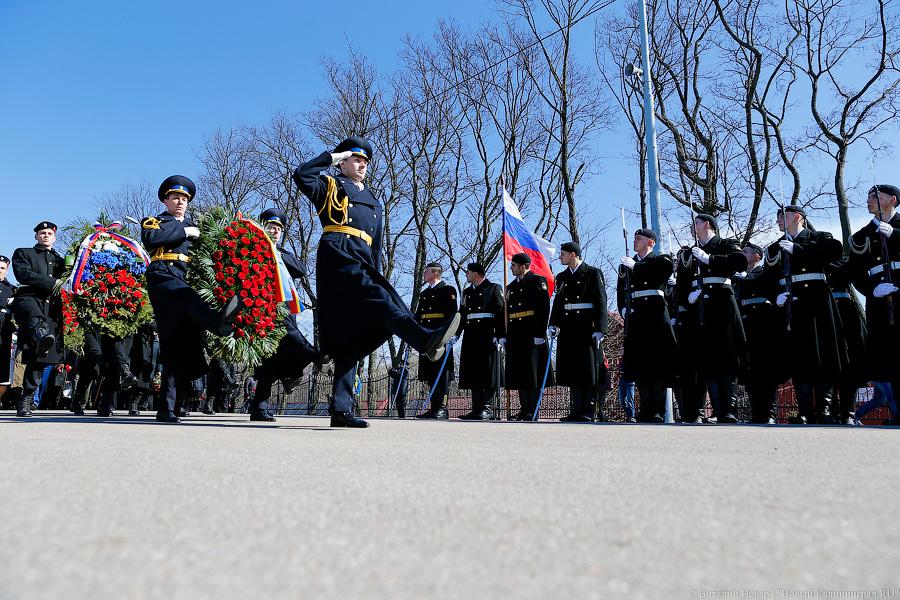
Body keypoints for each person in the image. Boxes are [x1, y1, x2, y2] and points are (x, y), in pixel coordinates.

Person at [293, 137, 459, 428]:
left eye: (365, 162)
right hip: (339, 253)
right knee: (384, 301)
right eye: (355, 159)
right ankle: (423, 339)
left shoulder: (374, 201)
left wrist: (378, 273)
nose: (362, 165)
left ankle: (341, 410)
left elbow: (377, 245)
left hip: (363, 258)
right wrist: (332, 157)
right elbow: (301, 175)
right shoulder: (329, 186)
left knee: (362, 332)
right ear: (343, 163)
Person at [141, 175, 240, 423]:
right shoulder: (156, 222)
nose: (180, 202)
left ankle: (170, 407)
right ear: (166, 201)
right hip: (163, 275)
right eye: (175, 197)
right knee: (185, 298)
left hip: (186, 278)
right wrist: (184, 231)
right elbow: (151, 239)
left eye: (184, 199)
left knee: (180, 342)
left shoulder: (197, 227)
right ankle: (218, 323)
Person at [763, 205, 846, 424]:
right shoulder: (774, 249)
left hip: (817, 302)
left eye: (783, 216)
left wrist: (797, 249)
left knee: (822, 355)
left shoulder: (819, 237)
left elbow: (834, 252)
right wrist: (775, 295)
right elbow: (767, 278)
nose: (779, 220)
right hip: (792, 305)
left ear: (798, 217)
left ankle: (825, 411)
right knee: (798, 357)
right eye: (778, 216)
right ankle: (805, 411)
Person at [675, 214, 748, 424]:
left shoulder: (726, 244)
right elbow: (682, 281)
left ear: (707, 224)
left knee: (727, 357)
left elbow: (740, 262)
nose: (693, 226)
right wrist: (686, 298)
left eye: (696, 223)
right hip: (699, 307)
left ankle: (728, 410)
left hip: (722, 303)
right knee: (707, 359)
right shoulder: (689, 253)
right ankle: (717, 410)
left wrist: (710, 259)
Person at [247, 208, 319, 422]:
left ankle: (260, 407)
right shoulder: (254, 249)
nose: (275, 231)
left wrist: (277, 253)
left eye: (278, 229)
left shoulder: (282, 253)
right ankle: (316, 356)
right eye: (271, 227)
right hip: (264, 308)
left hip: (285, 309)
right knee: (288, 344)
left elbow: (301, 270)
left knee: (273, 359)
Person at [848, 184, 900, 407]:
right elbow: (854, 272)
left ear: (893, 200)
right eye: (869, 196)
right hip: (879, 300)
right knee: (887, 354)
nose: (869, 200)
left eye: (876, 196)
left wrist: (895, 234)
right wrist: (872, 289)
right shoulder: (862, 236)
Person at [618, 229, 678, 423]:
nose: (635, 241)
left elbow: (661, 272)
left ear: (651, 242)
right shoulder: (627, 264)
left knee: (657, 364)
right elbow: (621, 290)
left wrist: (636, 266)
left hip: (656, 314)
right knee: (640, 364)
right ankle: (645, 409)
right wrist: (623, 308)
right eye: (634, 238)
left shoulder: (661, 259)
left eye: (639, 238)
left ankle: (657, 411)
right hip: (637, 315)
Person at [11, 221, 66, 417]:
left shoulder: (61, 261)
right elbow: (24, 274)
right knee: (32, 314)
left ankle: (27, 398)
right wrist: (54, 282)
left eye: (49, 233)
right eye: (42, 233)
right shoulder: (24, 253)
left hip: (51, 308)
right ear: (36, 236)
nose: (45, 235)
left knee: (41, 359)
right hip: (30, 298)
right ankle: (40, 331)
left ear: (54, 237)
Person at [550, 241, 609, 422]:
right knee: (572, 369)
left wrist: (601, 329)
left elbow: (601, 301)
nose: (560, 257)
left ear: (573, 255)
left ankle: (588, 410)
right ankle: (575, 409)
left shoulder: (592, 273)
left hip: (586, 327)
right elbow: (558, 302)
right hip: (568, 328)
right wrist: (554, 323)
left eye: (563, 254)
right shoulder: (562, 277)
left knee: (587, 370)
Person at [734, 243, 785, 424]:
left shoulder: (764, 273)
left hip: (763, 325)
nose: (742, 254)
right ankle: (756, 413)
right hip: (746, 325)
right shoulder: (738, 277)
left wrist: (746, 278)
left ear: (757, 256)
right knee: (750, 373)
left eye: (746, 252)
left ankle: (769, 413)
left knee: (766, 372)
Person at [501, 253, 552, 421]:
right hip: (516, 333)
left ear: (523, 266)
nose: (511, 268)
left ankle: (532, 409)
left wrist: (540, 333)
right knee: (520, 373)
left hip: (532, 332)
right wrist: (504, 335)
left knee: (532, 373)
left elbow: (544, 308)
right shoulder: (511, 286)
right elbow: (506, 313)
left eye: (514, 265)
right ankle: (524, 409)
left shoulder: (537, 281)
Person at [456, 262, 504, 420]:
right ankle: (476, 408)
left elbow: (500, 312)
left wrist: (500, 335)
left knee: (487, 372)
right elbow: (462, 314)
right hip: (471, 335)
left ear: (476, 273)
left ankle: (486, 408)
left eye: (468, 272)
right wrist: (456, 334)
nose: (467, 275)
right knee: (473, 372)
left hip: (487, 334)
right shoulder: (467, 292)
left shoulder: (493, 288)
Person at [414, 262, 458, 419]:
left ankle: (442, 407)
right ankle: (434, 407)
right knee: (430, 374)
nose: (424, 274)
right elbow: (419, 316)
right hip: (427, 336)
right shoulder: (424, 294)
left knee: (442, 373)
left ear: (435, 273)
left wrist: (449, 335)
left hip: (440, 337)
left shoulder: (448, 290)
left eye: (427, 271)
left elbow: (452, 315)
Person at [826, 257, 867, 425]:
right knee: (829, 368)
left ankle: (848, 413)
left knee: (850, 368)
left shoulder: (843, 263)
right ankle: (830, 412)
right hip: (825, 310)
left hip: (844, 311)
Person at [0, 255, 17, 386]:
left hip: (3, 331)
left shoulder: (12, 289)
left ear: (7, 269)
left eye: (2, 268)